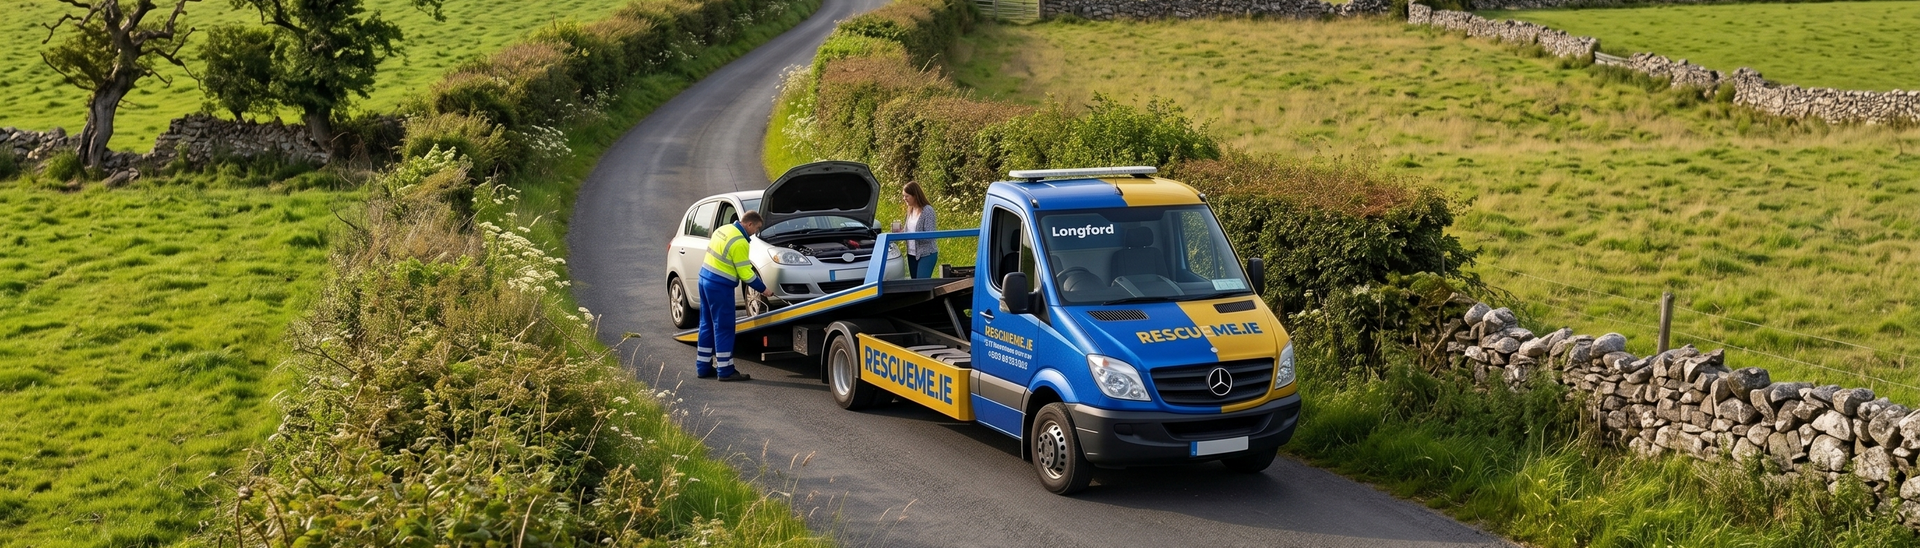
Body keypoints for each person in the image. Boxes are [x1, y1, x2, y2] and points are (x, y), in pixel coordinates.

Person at [696, 210, 771, 381]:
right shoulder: (740, 242)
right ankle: (725, 370)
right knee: (724, 327)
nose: (755, 233)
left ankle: (703, 367)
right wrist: (764, 289)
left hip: (704, 280)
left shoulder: (723, 230)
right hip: (719, 287)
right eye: (756, 228)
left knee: (706, 324)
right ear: (749, 224)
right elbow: (746, 274)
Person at [893, 182, 938, 279]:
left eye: (907, 196)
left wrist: (911, 235)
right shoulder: (910, 210)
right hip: (911, 254)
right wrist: (900, 233)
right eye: (903, 196)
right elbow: (908, 230)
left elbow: (930, 235)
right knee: (914, 284)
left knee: (921, 284)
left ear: (915, 196)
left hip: (926, 253)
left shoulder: (928, 211)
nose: (904, 198)